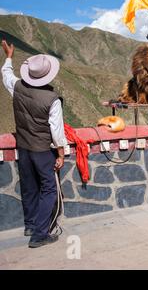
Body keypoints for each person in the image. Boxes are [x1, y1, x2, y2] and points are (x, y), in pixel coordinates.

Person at [1, 40, 66, 248]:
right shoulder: (52, 99)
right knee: (49, 189)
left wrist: (9, 56)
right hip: (42, 150)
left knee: (29, 187)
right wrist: (62, 154)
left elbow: (6, 76)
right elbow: (56, 131)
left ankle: (30, 224)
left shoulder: (18, 87)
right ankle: (39, 234)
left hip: (24, 147)